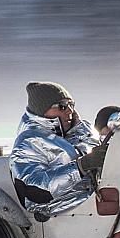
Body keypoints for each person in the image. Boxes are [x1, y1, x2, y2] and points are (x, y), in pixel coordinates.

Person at [11, 81, 106, 217]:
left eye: (71, 105)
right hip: (65, 213)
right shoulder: (29, 143)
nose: (70, 111)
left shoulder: (81, 130)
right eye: (62, 106)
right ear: (42, 111)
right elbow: (34, 190)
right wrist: (81, 166)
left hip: (98, 197)